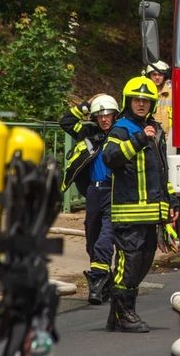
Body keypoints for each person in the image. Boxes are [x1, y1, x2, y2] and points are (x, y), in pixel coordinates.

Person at [102, 76, 179, 333]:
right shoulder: (121, 128)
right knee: (130, 263)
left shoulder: (155, 129)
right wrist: (138, 141)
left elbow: (161, 171)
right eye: (137, 100)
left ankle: (117, 313)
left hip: (152, 212)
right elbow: (110, 157)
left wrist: (171, 200)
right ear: (128, 101)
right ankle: (126, 314)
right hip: (128, 213)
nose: (142, 104)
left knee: (144, 263)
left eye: (146, 100)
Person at [60, 93, 120, 305]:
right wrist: (85, 105)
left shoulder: (120, 133)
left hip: (114, 192)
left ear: (115, 116)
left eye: (108, 115)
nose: (104, 119)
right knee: (92, 238)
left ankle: (96, 282)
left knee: (106, 235)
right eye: (99, 115)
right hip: (93, 192)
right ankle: (105, 281)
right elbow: (66, 121)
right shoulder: (87, 132)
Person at [143, 60, 173, 137]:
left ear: (165, 76)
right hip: (150, 137)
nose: (157, 77)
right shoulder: (144, 94)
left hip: (170, 137)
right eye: (154, 74)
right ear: (149, 76)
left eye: (160, 75)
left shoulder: (172, 94)